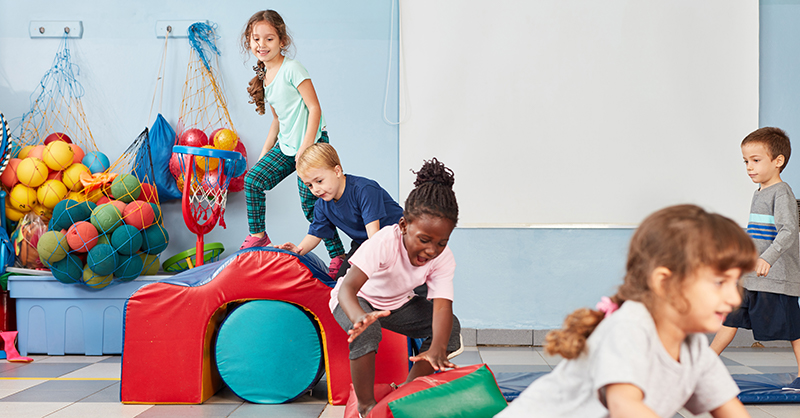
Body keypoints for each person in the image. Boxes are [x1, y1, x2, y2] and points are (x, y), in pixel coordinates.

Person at [496, 205, 756, 418]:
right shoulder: (630, 327)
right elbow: (626, 408)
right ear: (665, 282)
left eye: (736, 283)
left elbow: (730, 410)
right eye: (720, 282)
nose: (734, 298)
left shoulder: (693, 347)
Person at [332, 158, 463, 417]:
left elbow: (442, 307)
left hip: (396, 304)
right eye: (424, 240)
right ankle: (366, 407)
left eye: (441, 243)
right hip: (355, 299)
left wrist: (437, 345)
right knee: (368, 331)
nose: (431, 250)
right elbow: (348, 288)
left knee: (450, 329)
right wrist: (359, 317)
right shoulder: (384, 242)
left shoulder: (443, 259)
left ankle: (406, 390)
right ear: (403, 225)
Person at [239, 9, 345, 276]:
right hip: (287, 146)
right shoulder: (265, 76)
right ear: (249, 42)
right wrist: (265, 152)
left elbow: (314, 108)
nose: (261, 45)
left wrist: (306, 148)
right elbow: (277, 120)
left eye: (269, 39)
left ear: (282, 41)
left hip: (312, 144)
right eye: (256, 39)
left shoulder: (293, 69)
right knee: (253, 181)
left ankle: (339, 257)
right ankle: (258, 235)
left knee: (312, 206)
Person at [710, 127, 800, 387]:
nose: (749, 167)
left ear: (778, 161)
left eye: (756, 160)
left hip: (776, 277)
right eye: (746, 161)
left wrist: (768, 258)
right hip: (753, 276)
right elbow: (758, 235)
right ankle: (701, 367)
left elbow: (789, 231)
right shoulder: (760, 191)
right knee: (730, 318)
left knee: (794, 330)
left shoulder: (781, 192)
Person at [276, 143, 403, 279]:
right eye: (310, 185)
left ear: (337, 171)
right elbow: (315, 234)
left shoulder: (364, 189)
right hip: (364, 243)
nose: (315, 189)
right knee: (341, 283)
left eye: (319, 181)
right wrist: (297, 250)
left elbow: (375, 237)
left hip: (397, 240)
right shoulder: (322, 205)